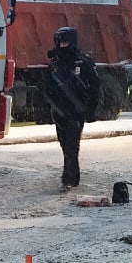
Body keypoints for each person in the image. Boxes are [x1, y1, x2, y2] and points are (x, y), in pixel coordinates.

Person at [44, 25, 101, 191]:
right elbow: (48, 87)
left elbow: (94, 86)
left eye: (65, 41)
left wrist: (91, 108)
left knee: (71, 143)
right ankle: (71, 174)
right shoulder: (55, 63)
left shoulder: (82, 62)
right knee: (64, 144)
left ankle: (69, 177)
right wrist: (50, 107)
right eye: (59, 42)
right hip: (60, 111)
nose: (62, 45)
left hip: (76, 111)